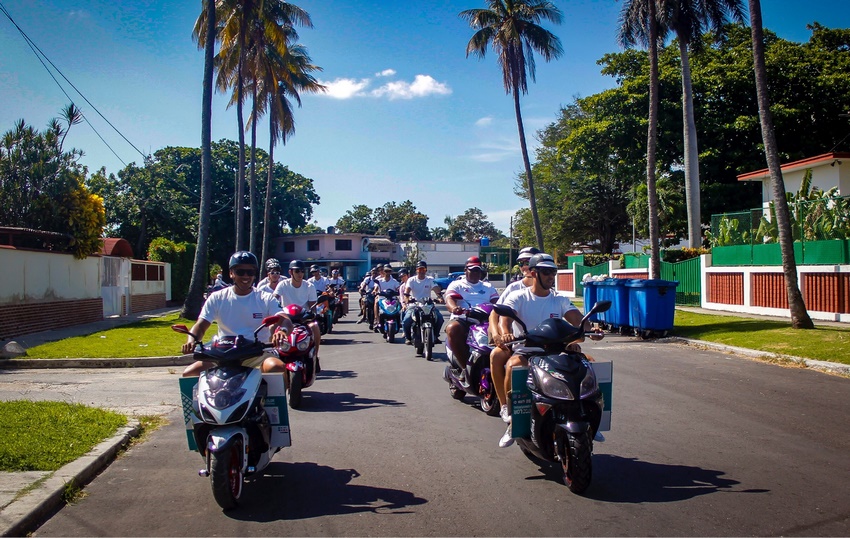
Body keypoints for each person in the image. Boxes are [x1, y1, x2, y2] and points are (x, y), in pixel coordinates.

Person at [494, 253, 601, 448]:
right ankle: (513, 420)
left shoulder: (559, 299)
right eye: (546, 272)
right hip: (528, 350)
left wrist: (590, 328)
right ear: (534, 273)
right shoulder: (519, 296)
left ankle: (593, 419)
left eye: (553, 272)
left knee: (590, 364)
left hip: (556, 350)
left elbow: (577, 319)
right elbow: (505, 319)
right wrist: (506, 333)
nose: (551, 277)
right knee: (513, 366)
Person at [181, 251, 293, 377]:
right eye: (240, 272)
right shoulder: (217, 298)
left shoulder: (265, 298)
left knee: (276, 367)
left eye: (250, 272)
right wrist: (191, 340)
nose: (246, 276)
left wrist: (282, 331)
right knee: (189, 374)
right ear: (231, 273)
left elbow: (285, 320)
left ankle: (276, 397)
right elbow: (201, 325)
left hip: (258, 353)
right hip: (223, 356)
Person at [488, 247, 540, 422]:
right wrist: (498, 335)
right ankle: (505, 406)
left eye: (529, 262)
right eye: (522, 263)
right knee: (497, 355)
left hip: (546, 343)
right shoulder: (514, 289)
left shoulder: (549, 289)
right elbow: (495, 313)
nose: (525, 266)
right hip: (516, 343)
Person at [444, 256, 499, 378]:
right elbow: (449, 299)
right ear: (465, 270)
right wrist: (454, 308)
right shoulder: (457, 284)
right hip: (464, 319)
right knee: (453, 328)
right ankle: (465, 369)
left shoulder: (488, 287)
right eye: (472, 270)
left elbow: (498, 302)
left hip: (485, 320)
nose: (475, 273)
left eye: (477, 270)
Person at [274, 259, 322, 370]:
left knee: (315, 327)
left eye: (302, 271)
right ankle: (273, 353)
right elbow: (274, 299)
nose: (300, 274)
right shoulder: (282, 284)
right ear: (290, 272)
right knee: (272, 326)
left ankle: (315, 356)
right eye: (297, 271)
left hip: (303, 318)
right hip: (286, 318)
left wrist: (313, 314)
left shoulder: (309, 286)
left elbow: (312, 306)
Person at [402, 260, 444, 345]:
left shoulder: (430, 279)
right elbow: (407, 292)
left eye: (423, 270)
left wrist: (440, 297)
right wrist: (407, 299)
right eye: (419, 269)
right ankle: (408, 337)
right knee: (406, 320)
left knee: (439, 318)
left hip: (428, 304)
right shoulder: (411, 280)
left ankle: (435, 336)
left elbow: (436, 289)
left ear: (426, 270)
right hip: (415, 305)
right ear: (416, 270)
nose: (421, 272)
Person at [372, 265, 401, 331]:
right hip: (382, 298)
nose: (387, 272)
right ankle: (377, 320)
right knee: (376, 302)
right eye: (386, 271)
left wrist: (400, 291)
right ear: (383, 272)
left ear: (391, 272)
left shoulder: (394, 281)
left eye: (389, 271)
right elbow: (376, 288)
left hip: (392, 299)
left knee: (400, 304)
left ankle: (399, 321)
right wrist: (374, 291)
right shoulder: (379, 280)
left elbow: (398, 288)